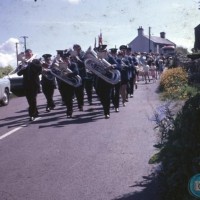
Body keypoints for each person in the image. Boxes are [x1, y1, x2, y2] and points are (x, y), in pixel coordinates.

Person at [17, 49, 42, 121]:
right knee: (30, 100)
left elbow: (39, 71)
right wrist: (23, 68)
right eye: (26, 54)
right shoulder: (22, 63)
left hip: (34, 83)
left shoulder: (36, 61)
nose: (27, 55)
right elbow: (19, 74)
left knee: (33, 99)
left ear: (32, 54)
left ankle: (32, 114)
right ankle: (36, 112)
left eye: (29, 54)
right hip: (26, 84)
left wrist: (31, 63)